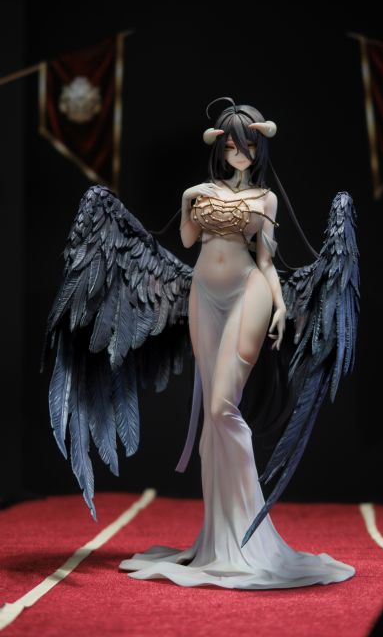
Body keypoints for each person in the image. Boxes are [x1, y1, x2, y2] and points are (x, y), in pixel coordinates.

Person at [117, 97, 357, 588]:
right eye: (232, 145)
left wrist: (281, 305)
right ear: (221, 147)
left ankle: (250, 534)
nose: (240, 153)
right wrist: (188, 199)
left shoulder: (265, 198)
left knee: (223, 406)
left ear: (258, 147)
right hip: (203, 295)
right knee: (212, 417)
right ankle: (218, 535)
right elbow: (188, 241)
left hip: (249, 290)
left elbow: (266, 260)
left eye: (248, 146)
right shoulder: (202, 192)